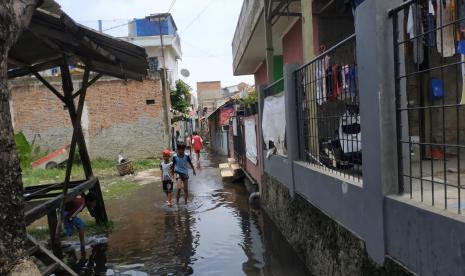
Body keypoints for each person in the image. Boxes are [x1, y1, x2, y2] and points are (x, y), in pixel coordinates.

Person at [63, 192, 97, 257]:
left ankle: (81, 243)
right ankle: (82, 245)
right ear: (89, 201)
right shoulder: (81, 204)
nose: (95, 204)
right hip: (65, 213)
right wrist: (72, 223)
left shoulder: (82, 202)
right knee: (75, 228)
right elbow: (69, 216)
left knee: (78, 226)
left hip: (67, 211)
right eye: (95, 202)